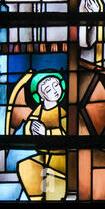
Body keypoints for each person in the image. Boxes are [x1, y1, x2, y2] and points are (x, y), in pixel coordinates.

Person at [17, 71, 67, 201]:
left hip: (59, 157)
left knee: (51, 176)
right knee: (26, 165)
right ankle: (36, 199)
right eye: (48, 89)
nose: (55, 90)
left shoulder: (63, 113)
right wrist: (31, 129)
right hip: (43, 154)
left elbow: (67, 135)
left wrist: (47, 133)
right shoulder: (37, 112)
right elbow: (29, 127)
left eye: (56, 85)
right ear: (41, 95)